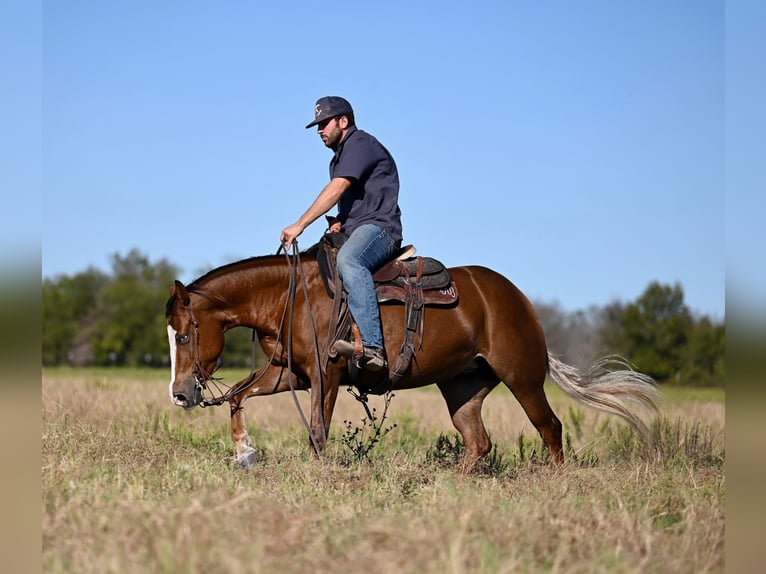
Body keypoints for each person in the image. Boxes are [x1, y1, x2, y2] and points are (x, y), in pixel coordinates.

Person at [280, 96, 403, 371]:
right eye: (317, 126)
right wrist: (340, 221)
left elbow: (337, 189)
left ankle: (373, 348)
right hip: (359, 227)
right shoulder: (339, 158)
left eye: (324, 123)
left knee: (349, 261)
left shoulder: (360, 145)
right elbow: (353, 200)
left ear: (343, 121)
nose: (320, 131)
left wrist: (300, 224)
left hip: (381, 229)